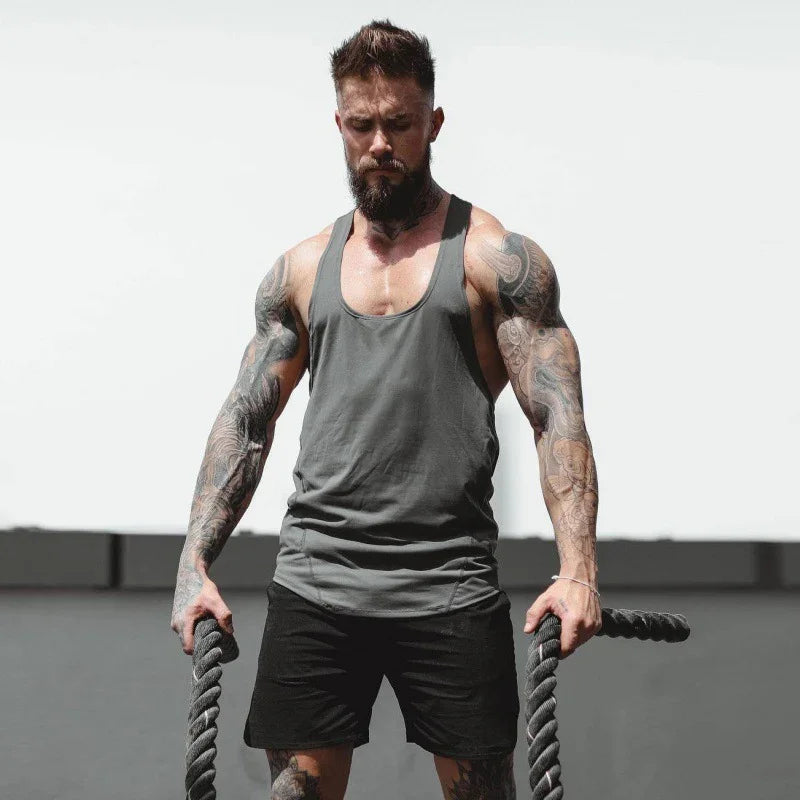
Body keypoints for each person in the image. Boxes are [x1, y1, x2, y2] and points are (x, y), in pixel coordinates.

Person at [171, 19, 601, 800]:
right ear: (339, 124)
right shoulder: (301, 270)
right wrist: (193, 564)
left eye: (399, 124)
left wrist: (579, 573)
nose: (380, 144)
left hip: (449, 585)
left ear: (433, 123)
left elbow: (556, 417)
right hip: (316, 580)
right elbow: (247, 420)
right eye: (363, 125)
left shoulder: (496, 260)